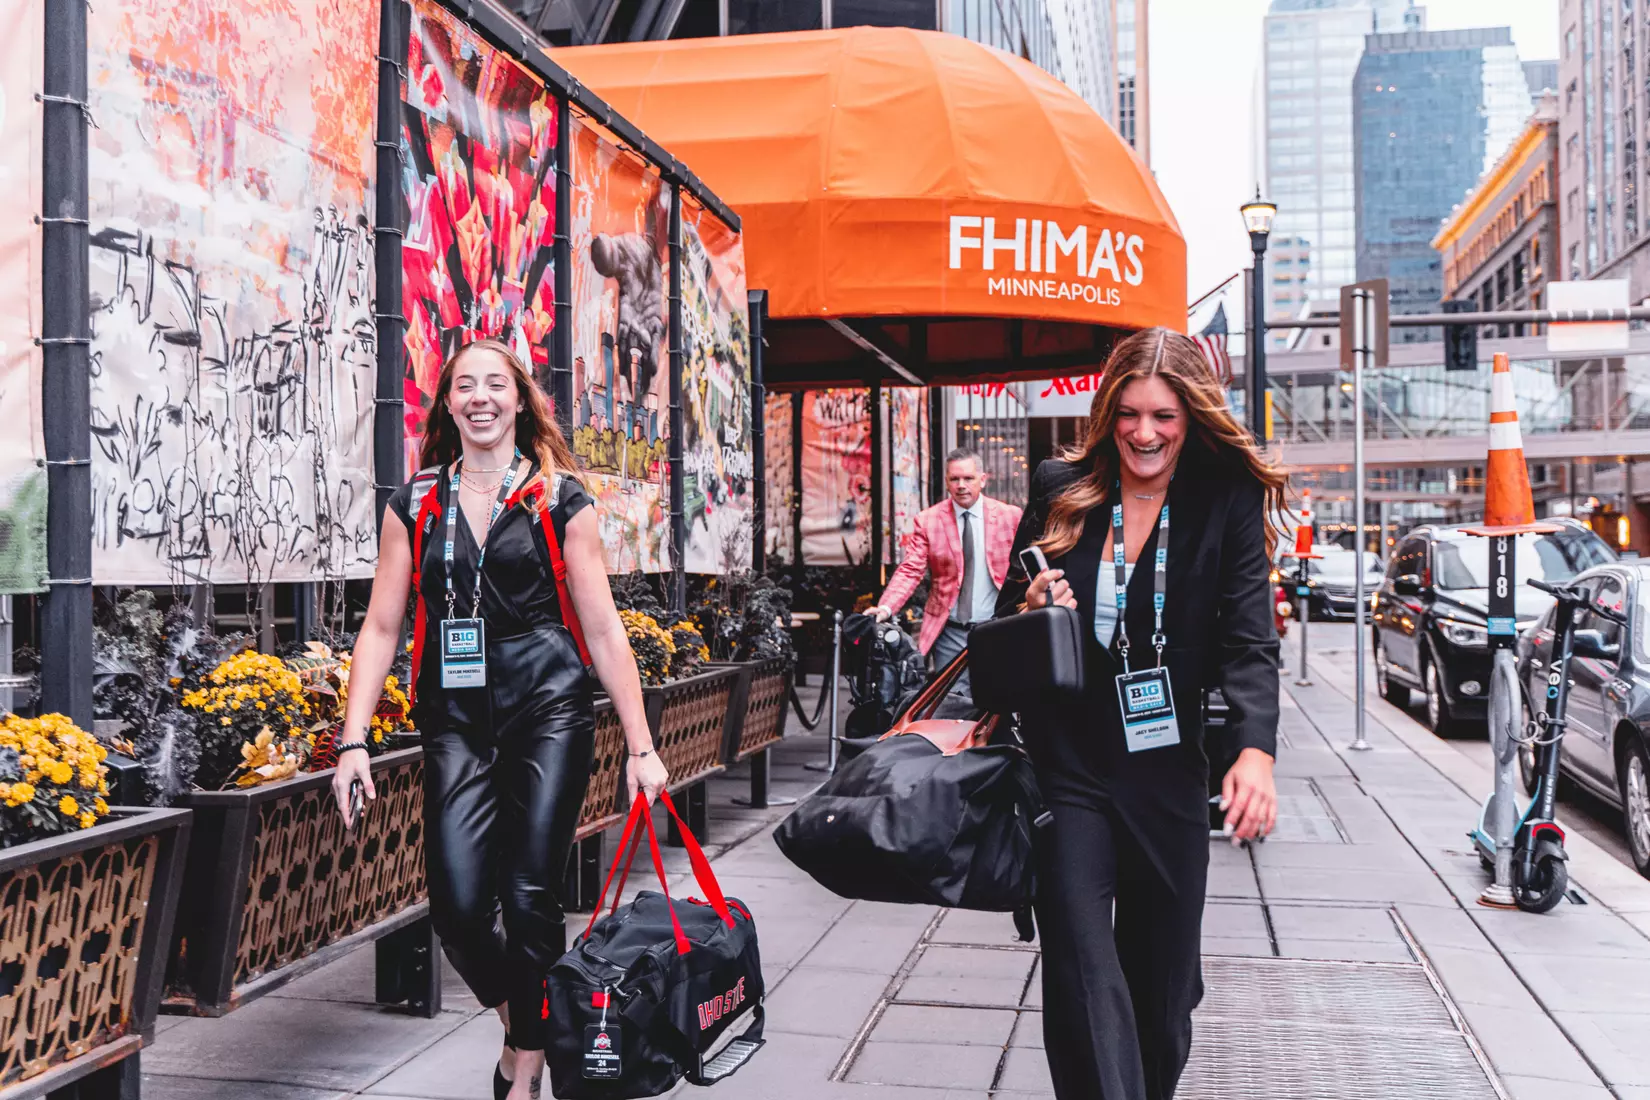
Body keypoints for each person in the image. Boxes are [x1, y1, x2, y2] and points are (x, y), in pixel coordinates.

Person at [332, 339, 668, 1100]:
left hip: (548, 705)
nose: (480, 397)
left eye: (495, 385)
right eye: (464, 386)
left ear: (520, 400)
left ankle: (523, 1071)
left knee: (527, 894)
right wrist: (352, 739)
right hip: (455, 716)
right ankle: (533, 1027)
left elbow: (606, 628)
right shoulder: (416, 502)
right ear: (448, 404)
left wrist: (640, 747)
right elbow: (381, 627)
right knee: (455, 905)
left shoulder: (558, 497)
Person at [995, 327, 1281, 1100]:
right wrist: (1032, 605)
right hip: (1071, 767)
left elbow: (1251, 639)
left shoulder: (1223, 496)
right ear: (1106, 412)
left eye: (1163, 416)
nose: (1144, 433)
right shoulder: (1063, 484)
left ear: (1191, 415)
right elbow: (999, 630)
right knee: (1086, 977)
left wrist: (1254, 750)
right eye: (1128, 414)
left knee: (1161, 1001)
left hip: (1167, 771)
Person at [870, 448, 1022, 677]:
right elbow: (911, 569)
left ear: (982, 480)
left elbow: (1025, 569)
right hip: (950, 632)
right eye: (955, 479)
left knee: (996, 700)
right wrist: (885, 607)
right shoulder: (928, 521)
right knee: (951, 702)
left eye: (968, 478)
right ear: (947, 482)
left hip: (997, 628)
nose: (961, 485)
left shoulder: (1010, 516)